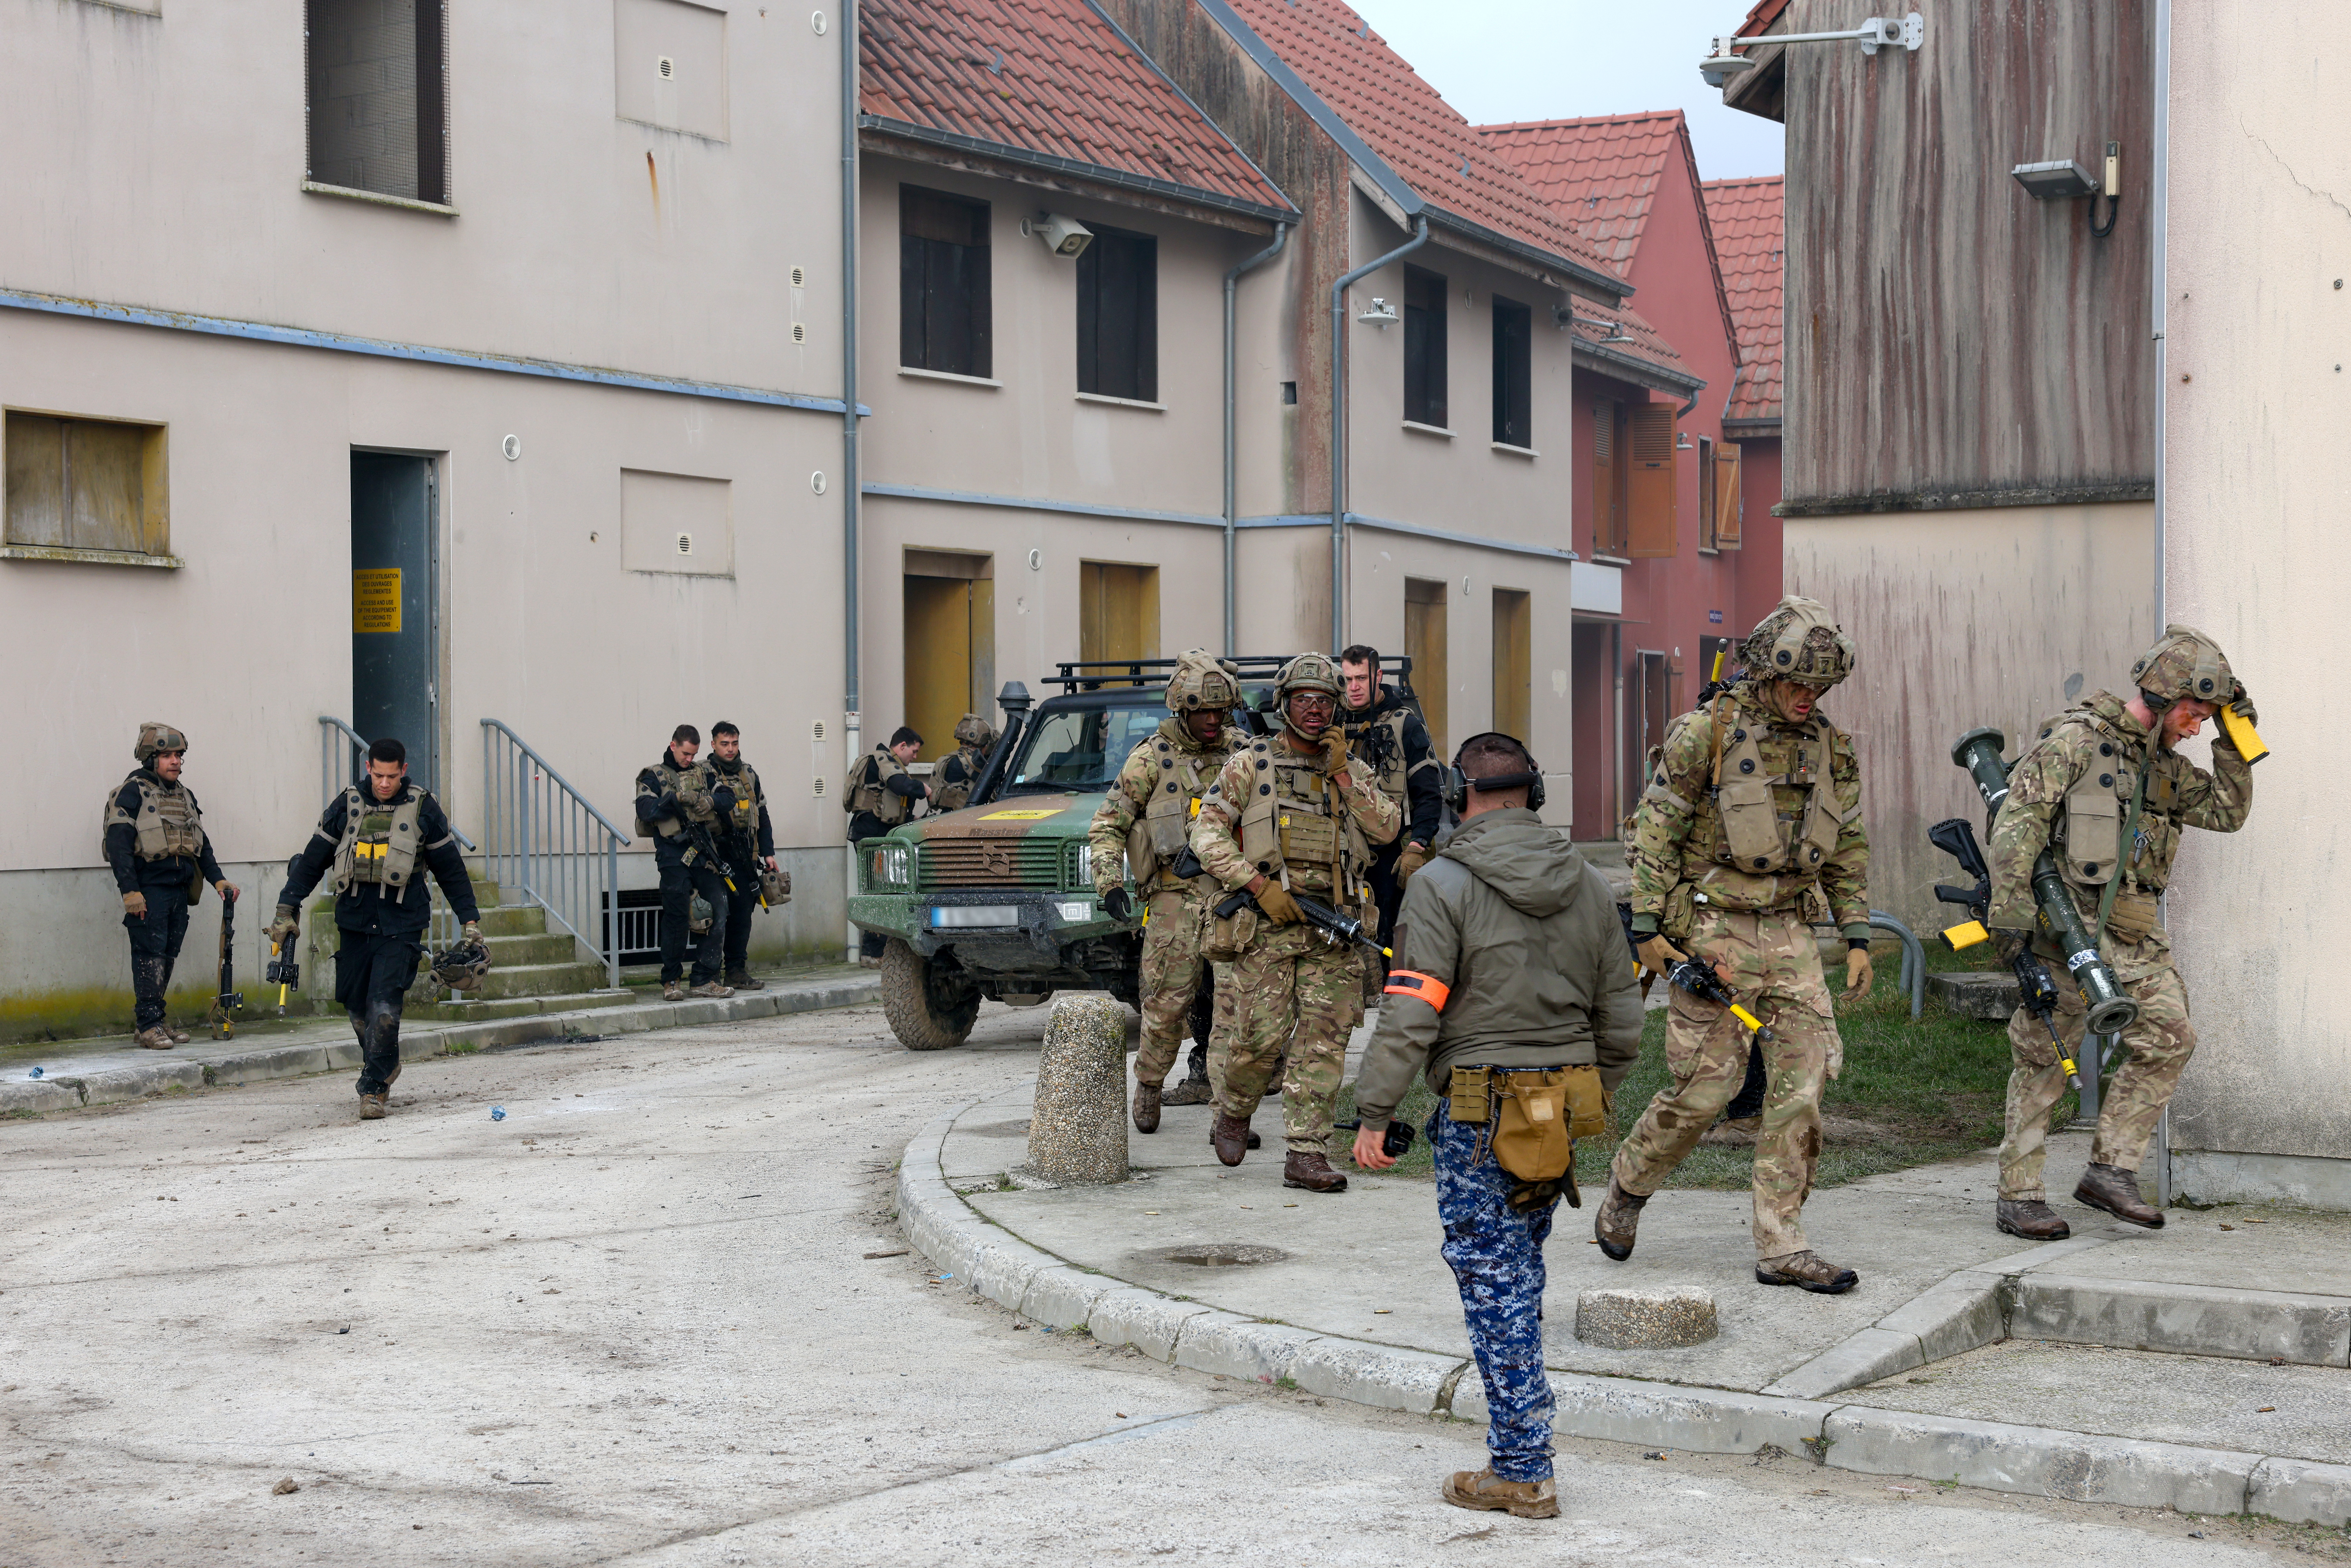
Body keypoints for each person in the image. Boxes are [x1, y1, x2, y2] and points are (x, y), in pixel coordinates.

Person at [1353, 732, 1642, 1521]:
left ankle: (1521, 1467)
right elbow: (1621, 1018)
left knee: (1493, 1285)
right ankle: (1520, 1448)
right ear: (1535, 794)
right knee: (1521, 1270)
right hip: (1555, 1111)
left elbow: (1412, 1010)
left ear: (1456, 796)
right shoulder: (1587, 883)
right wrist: (1589, 1089)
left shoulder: (1438, 884)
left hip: (1480, 1110)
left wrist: (1373, 1111)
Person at [1600, 596, 1873, 1293]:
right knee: (1706, 1088)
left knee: (1800, 1088)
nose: (1808, 698)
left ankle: (1781, 1243)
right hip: (1712, 924)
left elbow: (1845, 842)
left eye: (1820, 688)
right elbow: (1655, 828)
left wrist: (1857, 932)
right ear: (1764, 672)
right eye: (1796, 685)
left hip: (1790, 929)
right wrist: (1648, 928)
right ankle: (1629, 1185)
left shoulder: (1828, 748)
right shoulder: (1705, 734)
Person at [1985, 625, 2255, 1238]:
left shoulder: (2164, 767)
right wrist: (2010, 921)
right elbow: (2017, 826)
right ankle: (2018, 1194)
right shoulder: (2078, 743)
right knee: (2043, 1060)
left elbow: (2227, 812)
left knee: (2171, 1036)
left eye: (2207, 716)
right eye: (2194, 711)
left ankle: (2110, 1169)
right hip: (2067, 930)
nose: (2196, 725)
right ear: (2162, 694)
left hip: (2133, 936)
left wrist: (2235, 738)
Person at [1190, 651, 1400, 1192]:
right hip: (1267, 927)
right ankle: (1234, 1110)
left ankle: (1306, 1153)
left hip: (1334, 929)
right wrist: (1257, 886)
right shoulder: (1251, 764)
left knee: (1324, 1042)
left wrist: (1341, 775)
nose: (1315, 710)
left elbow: (1387, 830)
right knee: (1259, 1040)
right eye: (1304, 701)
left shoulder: (1348, 768)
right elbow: (1206, 835)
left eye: (1325, 701)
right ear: (1284, 705)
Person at [269, 738, 478, 1120]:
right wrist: (287, 907)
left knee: (384, 1009)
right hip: (354, 921)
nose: (385, 783)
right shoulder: (347, 805)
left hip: (402, 923)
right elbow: (314, 859)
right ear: (369, 769)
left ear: (404, 769)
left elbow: (451, 869)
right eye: (378, 775)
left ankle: (373, 1089)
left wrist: (470, 920)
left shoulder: (423, 807)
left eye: (392, 776)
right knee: (357, 1010)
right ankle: (386, 1063)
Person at [1088, 650, 1241, 1134]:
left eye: (1220, 711)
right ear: (1182, 708)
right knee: (1165, 1005)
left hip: (1234, 897)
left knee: (1237, 1007)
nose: (1213, 721)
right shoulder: (1152, 758)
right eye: (1203, 712)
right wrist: (1110, 882)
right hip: (1173, 900)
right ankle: (1150, 1085)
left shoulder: (1245, 754)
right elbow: (1108, 824)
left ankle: (1231, 1112)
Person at [104, 723, 238, 1049]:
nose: (175, 761)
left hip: (179, 890)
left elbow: (201, 845)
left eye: (179, 755)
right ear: (151, 758)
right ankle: (148, 1024)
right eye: (167, 755)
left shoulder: (184, 795)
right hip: (148, 891)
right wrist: (130, 892)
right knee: (149, 955)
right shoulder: (132, 791)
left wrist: (218, 878)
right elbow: (119, 846)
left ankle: (153, 1020)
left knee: (166, 956)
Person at [1338, 645, 1442, 959]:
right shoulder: (1330, 725)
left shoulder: (1405, 725)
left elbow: (1428, 793)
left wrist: (1417, 846)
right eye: (1347, 679)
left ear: (1378, 676)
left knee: (1392, 938)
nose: (1353, 687)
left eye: (1361, 678)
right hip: (1342, 849)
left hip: (1392, 852)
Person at [634, 725, 734, 1003]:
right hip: (672, 856)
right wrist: (675, 800)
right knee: (677, 917)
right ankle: (672, 980)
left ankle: (704, 978)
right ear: (674, 745)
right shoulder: (654, 776)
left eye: (694, 754)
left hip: (702, 852)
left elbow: (729, 797)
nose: (689, 759)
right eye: (686, 754)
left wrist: (710, 800)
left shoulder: (703, 773)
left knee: (719, 907)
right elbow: (645, 809)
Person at [845, 726, 929, 966]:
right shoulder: (882, 761)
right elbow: (901, 786)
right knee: (880, 894)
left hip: (875, 836)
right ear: (902, 746)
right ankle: (873, 954)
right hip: (872, 838)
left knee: (883, 891)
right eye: (913, 752)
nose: (915, 758)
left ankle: (876, 952)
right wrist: (924, 789)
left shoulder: (883, 764)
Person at [707, 721, 778, 993]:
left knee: (743, 915)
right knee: (715, 914)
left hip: (744, 855)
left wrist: (769, 852)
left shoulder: (748, 773)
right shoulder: (704, 772)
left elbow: (764, 814)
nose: (730, 749)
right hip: (714, 856)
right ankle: (708, 974)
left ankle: (736, 970)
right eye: (725, 744)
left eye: (735, 743)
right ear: (713, 744)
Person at [932, 713, 998, 812]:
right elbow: (993, 784)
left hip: (951, 817)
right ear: (983, 744)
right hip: (963, 819)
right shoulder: (968, 764)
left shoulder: (953, 760)